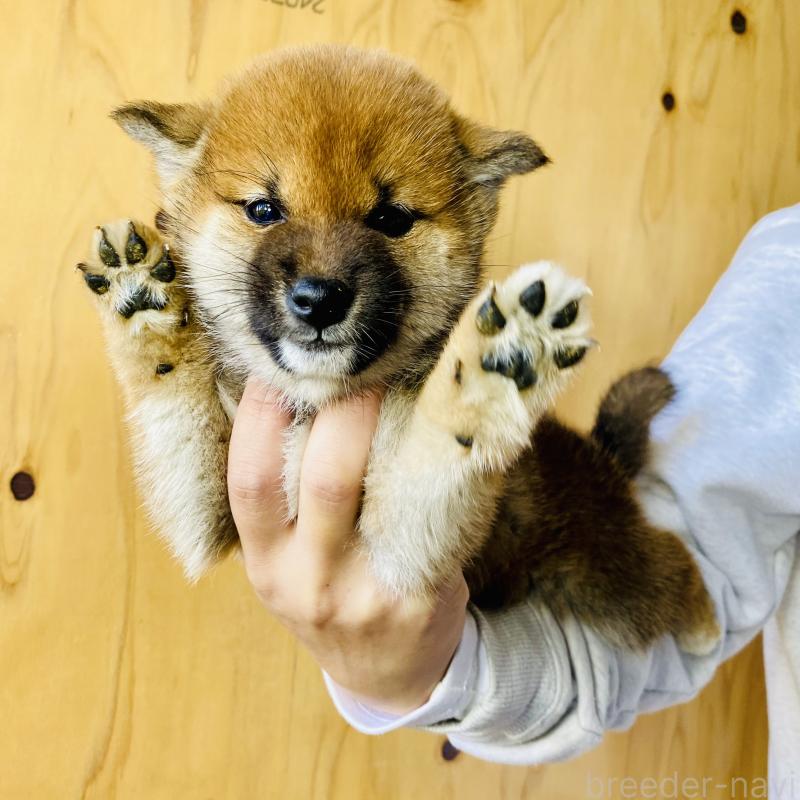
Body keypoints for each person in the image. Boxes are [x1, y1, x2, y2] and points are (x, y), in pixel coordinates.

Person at [227, 205, 800, 793]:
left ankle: (668, 577)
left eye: (390, 218)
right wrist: (425, 673)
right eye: (266, 212)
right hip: (501, 575)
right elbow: (702, 523)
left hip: (559, 529)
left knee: (630, 584)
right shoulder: (791, 270)